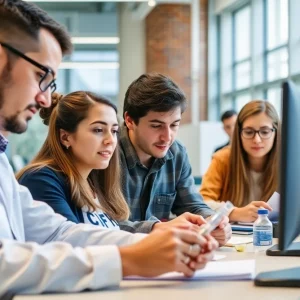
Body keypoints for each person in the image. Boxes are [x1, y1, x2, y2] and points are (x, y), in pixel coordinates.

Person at [0, 0, 218, 296]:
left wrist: (156, 244)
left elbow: (58, 232)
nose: (45, 99)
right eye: (42, 77)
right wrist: (129, 258)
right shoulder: (45, 177)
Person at [17, 91, 206, 233]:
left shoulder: (92, 183)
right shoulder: (41, 179)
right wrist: (157, 232)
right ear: (65, 137)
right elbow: (73, 242)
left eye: (114, 131)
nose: (110, 140)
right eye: (98, 130)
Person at [119, 73, 232, 245]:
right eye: (156, 126)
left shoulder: (176, 152)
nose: (167, 137)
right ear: (129, 120)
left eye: (174, 125)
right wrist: (158, 228)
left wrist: (212, 221)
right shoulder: (106, 155)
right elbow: (100, 226)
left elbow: (192, 204)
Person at [200, 100, 280, 222]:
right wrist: (233, 213)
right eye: (249, 132)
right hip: (233, 237)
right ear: (239, 133)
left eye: (265, 132)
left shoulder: (288, 164)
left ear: (276, 132)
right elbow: (201, 203)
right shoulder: (222, 159)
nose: (257, 139)